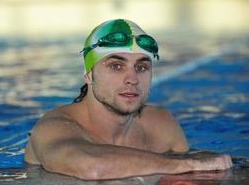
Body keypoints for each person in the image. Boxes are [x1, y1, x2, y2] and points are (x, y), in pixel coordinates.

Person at [24, 19, 233, 180]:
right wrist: (183, 165)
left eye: (141, 67)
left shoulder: (161, 123)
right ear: (89, 75)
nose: (132, 79)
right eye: (116, 66)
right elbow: (91, 165)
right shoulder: (54, 126)